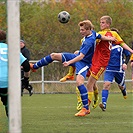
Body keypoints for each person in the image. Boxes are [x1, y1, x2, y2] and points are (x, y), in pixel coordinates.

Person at [30, 20, 116, 117]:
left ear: (88, 30)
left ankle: (86, 109)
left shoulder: (89, 41)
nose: (81, 32)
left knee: (79, 82)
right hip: (77, 57)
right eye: (80, 29)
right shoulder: (93, 34)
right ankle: (34, 66)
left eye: (83, 30)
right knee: (54, 55)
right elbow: (100, 36)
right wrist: (110, 38)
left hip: (84, 63)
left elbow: (81, 57)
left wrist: (69, 62)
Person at [86, 15, 133, 112]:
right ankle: (103, 104)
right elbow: (92, 43)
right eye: (100, 22)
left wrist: (131, 51)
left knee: (121, 85)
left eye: (103, 22)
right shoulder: (98, 34)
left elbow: (122, 43)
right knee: (106, 84)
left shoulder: (114, 34)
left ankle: (123, 90)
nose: (101, 24)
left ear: (108, 24)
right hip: (108, 66)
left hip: (119, 69)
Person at [0, 30, 31, 117]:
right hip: (8, 83)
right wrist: (25, 80)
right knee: (9, 105)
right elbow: (26, 66)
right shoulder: (12, 49)